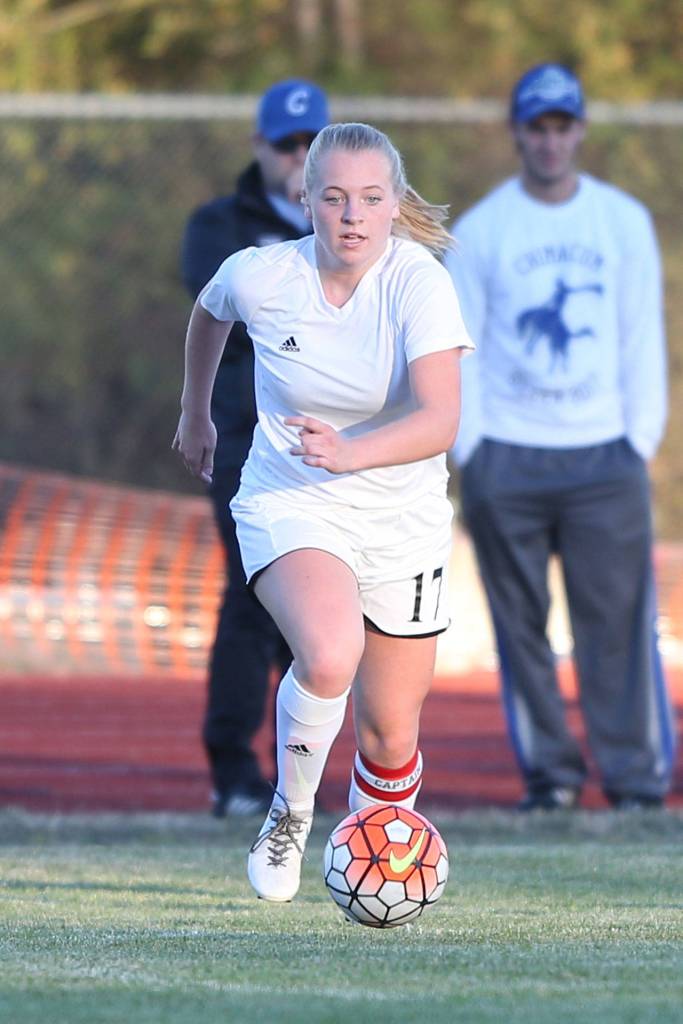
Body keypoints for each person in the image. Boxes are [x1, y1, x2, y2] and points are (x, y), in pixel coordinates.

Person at [173, 121, 472, 901]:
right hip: (292, 497)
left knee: (390, 734)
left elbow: (440, 419)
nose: (351, 215)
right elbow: (209, 311)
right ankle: (290, 814)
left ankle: (379, 873)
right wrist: (195, 413)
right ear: (305, 201)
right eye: (334, 197)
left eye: (370, 199)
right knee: (330, 653)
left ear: (394, 204)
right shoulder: (263, 274)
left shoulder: (418, 283)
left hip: (401, 522)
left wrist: (351, 451)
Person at [445, 63, 676, 812]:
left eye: (561, 126)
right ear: (517, 132)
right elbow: (461, 346)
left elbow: (640, 336)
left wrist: (636, 440)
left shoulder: (620, 221)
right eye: (536, 127)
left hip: (603, 456)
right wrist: (472, 450)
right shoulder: (481, 231)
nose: (549, 141)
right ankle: (551, 778)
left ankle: (635, 780)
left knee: (617, 626)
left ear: (579, 130)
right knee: (521, 631)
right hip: (507, 458)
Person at [180, 80, 330, 818]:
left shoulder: (355, 227)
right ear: (260, 146)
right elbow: (227, 315)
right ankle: (235, 768)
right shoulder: (220, 227)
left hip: (329, 443)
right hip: (246, 438)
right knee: (253, 592)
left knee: (323, 606)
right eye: (286, 144)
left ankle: (303, 772)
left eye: (310, 144)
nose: (298, 156)